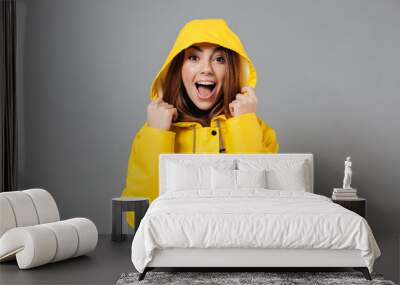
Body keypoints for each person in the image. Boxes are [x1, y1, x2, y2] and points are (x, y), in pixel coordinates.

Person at [121, 19, 279, 228]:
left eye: (219, 59)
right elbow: (138, 219)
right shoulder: (151, 132)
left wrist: (244, 125)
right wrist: (157, 136)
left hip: (240, 253)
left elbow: (265, 213)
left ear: (233, 70)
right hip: (175, 254)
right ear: (178, 68)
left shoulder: (256, 129)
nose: (206, 69)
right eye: (194, 58)